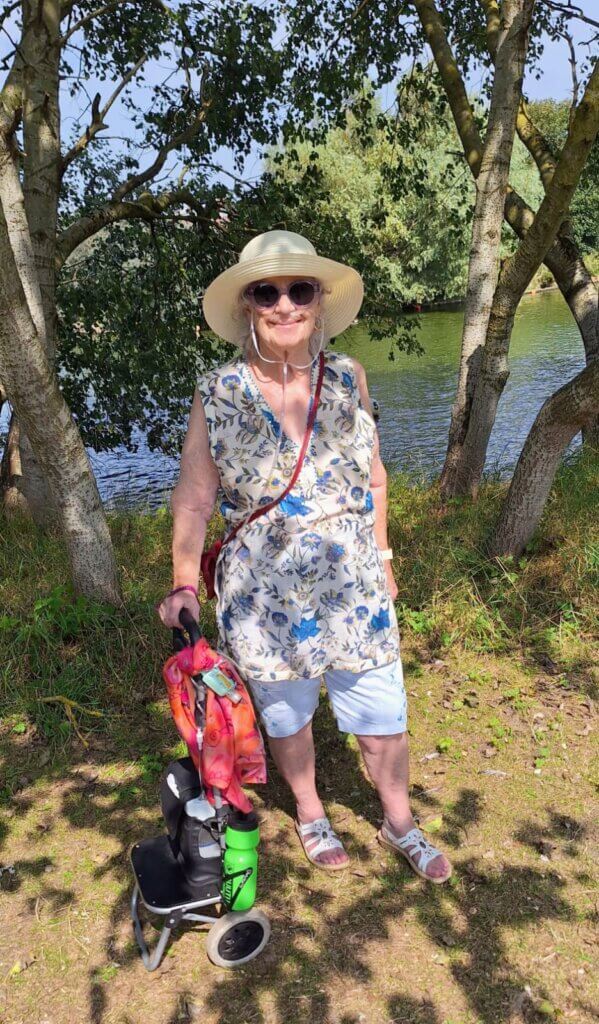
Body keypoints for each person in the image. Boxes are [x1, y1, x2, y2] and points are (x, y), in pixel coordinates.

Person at [157, 230, 451, 882]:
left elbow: (375, 479)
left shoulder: (348, 377)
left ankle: (399, 820)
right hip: (262, 596)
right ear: (247, 305)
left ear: (319, 303)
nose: (285, 304)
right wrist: (183, 583)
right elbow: (194, 498)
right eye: (268, 292)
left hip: (354, 583)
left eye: (300, 290)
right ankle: (311, 811)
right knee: (287, 712)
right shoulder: (217, 391)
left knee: (381, 709)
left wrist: (385, 558)